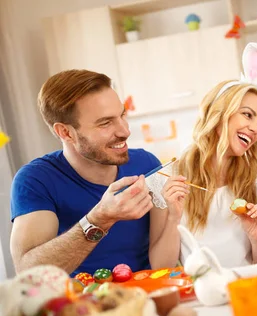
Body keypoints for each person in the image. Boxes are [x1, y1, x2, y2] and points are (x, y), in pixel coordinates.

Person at [10, 69, 187, 276]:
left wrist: (173, 219)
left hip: (148, 294)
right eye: (105, 123)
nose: (125, 131)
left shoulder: (147, 164)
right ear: (65, 132)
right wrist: (99, 219)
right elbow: (29, 273)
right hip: (83, 304)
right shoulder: (36, 180)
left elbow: (161, 266)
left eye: (122, 115)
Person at [175, 42, 257, 268]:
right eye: (247, 115)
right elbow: (161, 265)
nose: (255, 129)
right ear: (220, 114)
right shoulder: (172, 178)